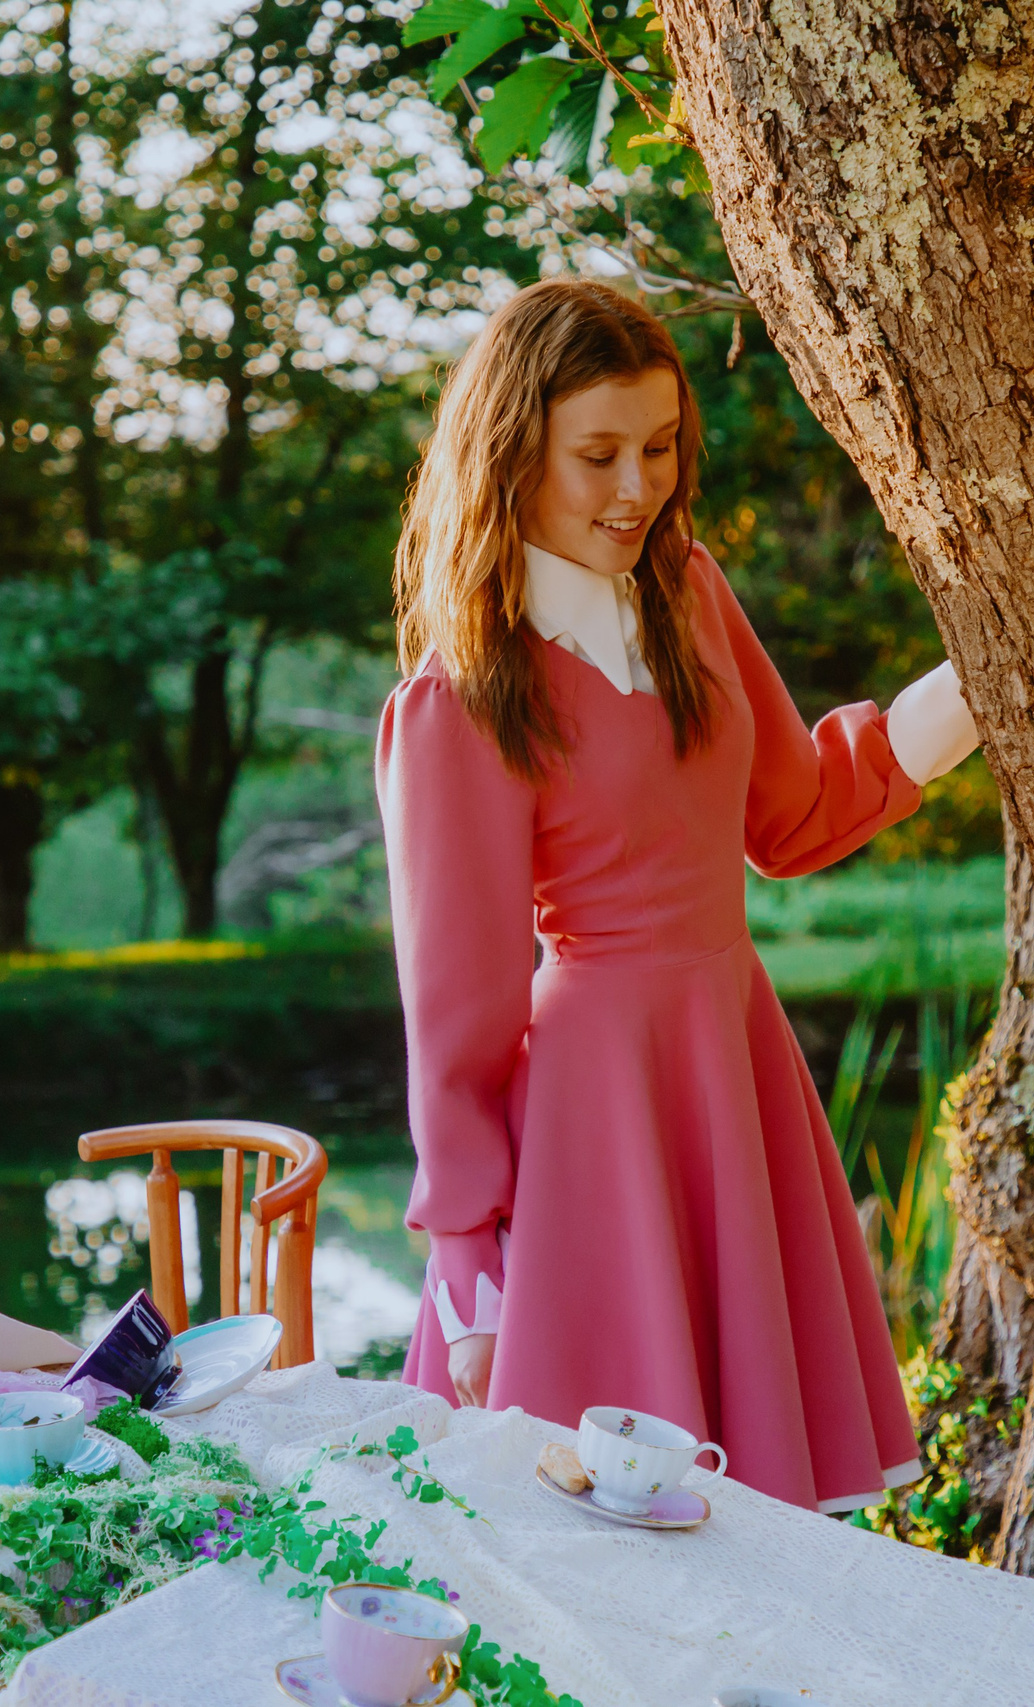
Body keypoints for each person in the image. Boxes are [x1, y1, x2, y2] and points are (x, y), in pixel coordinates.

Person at [379, 278, 978, 1514]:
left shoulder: (691, 592)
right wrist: (466, 1265)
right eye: (597, 455)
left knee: (760, 1519)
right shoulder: (463, 698)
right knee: (594, 1539)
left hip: (731, 1058)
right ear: (510, 457)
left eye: (658, 448)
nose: (636, 487)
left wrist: (982, 686)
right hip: (593, 1124)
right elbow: (458, 1018)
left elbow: (792, 814)